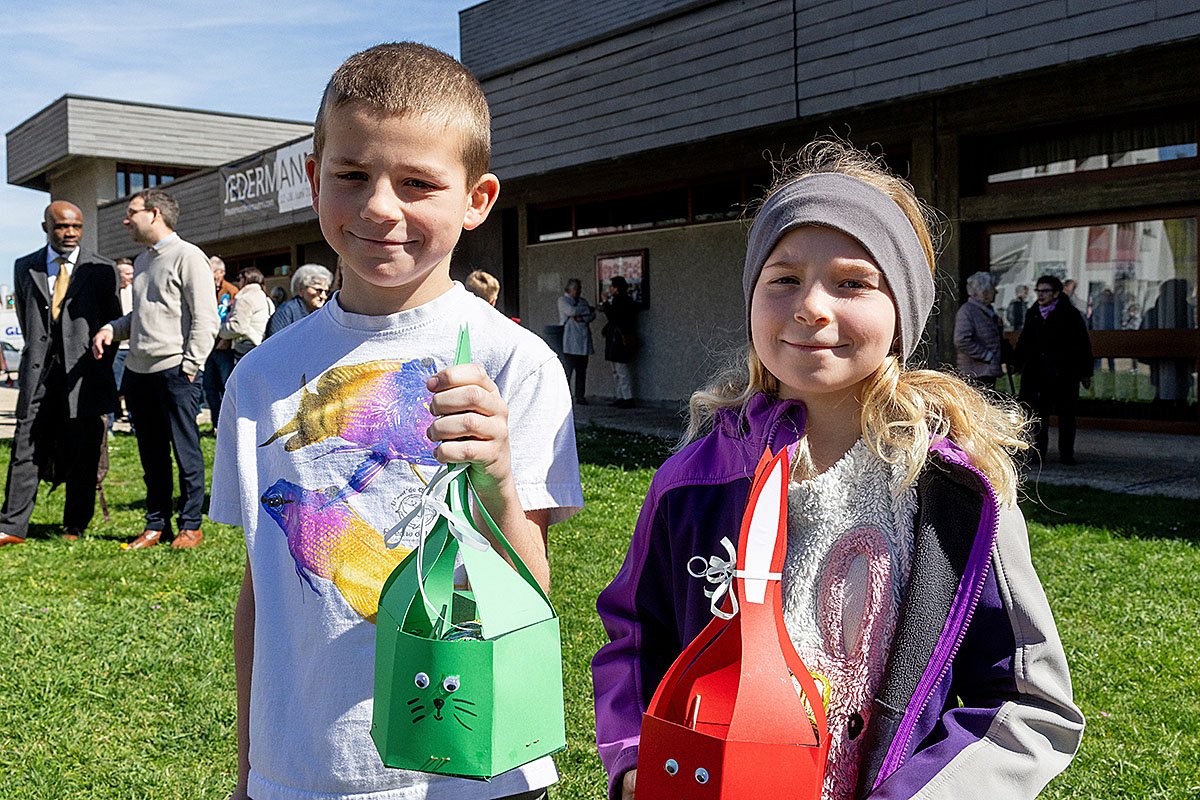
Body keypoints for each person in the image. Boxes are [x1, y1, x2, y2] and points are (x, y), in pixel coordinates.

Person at [592, 141, 1083, 800]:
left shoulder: (958, 496)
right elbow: (635, 641)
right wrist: (636, 759)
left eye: (852, 282)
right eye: (784, 279)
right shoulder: (692, 482)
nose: (812, 306)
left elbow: (1026, 704)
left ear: (901, 314)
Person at [207, 43, 583, 800]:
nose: (381, 206)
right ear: (314, 179)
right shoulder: (260, 380)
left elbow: (529, 590)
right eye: (353, 175)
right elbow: (261, 592)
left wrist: (499, 476)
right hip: (305, 770)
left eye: (418, 183)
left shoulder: (515, 363)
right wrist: (250, 769)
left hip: (472, 768)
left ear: (477, 199)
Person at [91, 188, 220, 549]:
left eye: (131, 212)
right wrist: (111, 328)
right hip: (138, 372)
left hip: (175, 371)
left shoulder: (188, 256)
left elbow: (206, 318)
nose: (125, 220)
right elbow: (143, 314)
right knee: (151, 454)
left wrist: (191, 365)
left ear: (154, 214)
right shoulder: (143, 261)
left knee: (186, 451)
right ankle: (156, 524)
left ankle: (190, 526)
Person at [0, 201, 121, 548]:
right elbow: (27, 321)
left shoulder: (102, 269)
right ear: (46, 228)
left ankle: (75, 523)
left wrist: (96, 365)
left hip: (84, 374)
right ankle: (12, 525)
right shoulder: (25, 266)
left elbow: (112, 322)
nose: (70, 233)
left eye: (76, 227)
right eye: (62, 227)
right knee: (25, 446)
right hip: (39, 375)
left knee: (84, 449)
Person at [1014, 275, 1093, 465]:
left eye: (1045, 291)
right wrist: (1016, 362)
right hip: (1038, 374)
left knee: (1066, 415)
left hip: (1064, 374)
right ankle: (1039, 452)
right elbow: (1025, 340)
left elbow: (1082, 344)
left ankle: (1066, 453)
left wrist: (1085, 372)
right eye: (1038, 291)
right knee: (1039, 415)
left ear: (1056, 293)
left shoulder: (1070, 314)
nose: (1040, 295)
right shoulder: (1033, 313)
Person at [204, 256, 239, 431]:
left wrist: (227, 339)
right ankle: (215, 424)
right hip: (207, 346)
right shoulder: (204, 289)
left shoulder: (231, 291)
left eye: (212, 272)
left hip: (224, 347)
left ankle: (229, 426)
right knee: (209, 387)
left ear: (221, 272)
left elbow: (235, 317)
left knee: (226, 386)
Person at [953, 271, 1004, 388]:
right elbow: (961, 340)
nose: (996, 292)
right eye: (992, 289)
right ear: (984, 292)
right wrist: (987, 356)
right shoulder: (967, 311)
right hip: (975, 374)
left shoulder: (987, 310)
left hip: (986, 371)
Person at [263, 263, 332, 338]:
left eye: (326, 292)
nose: (323, 296)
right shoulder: (286, 312)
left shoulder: (322, 313)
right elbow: (275, 340)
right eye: (318, 290)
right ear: (301, 290)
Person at [218, 267, 272, 363]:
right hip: (262, 344)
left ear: (246, 279)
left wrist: (219, 330)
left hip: (246, 346)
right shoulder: (265, 297)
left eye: (239, 278)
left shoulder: (244, 298)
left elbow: (238, 327)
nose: (238, 282)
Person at [600, 274, 638, 408]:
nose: (610, 289)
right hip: (616, 338)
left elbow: (614, 318)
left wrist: (605, 303)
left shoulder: (620, 301)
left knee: (620, 370)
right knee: (617, 370)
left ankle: (626, 397)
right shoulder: (625, 300)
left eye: (612, 286)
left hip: (618, 340)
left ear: (616, 288)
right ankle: (621, 396)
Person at [558, 277, 594, 404]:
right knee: (568, 371)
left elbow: (592, 315)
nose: (578, 292)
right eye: (576, 289)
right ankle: (565, 397)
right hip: (570, 341)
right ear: (570, 289)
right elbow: (571, 311)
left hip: (583, 341)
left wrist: (583, 317)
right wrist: (587, 310)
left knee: (581, 371)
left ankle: (580, 396)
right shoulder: (563, 300)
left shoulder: (582, 301)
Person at [111, 257, 135, 426]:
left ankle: (135, 423)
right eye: (127, 274)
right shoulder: (111, 292)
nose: (131, 277)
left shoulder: (136, 291)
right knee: (114, 386)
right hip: (117, 348)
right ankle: (110, 424)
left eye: (132, 273)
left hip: (133, 348)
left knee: (132, 388)